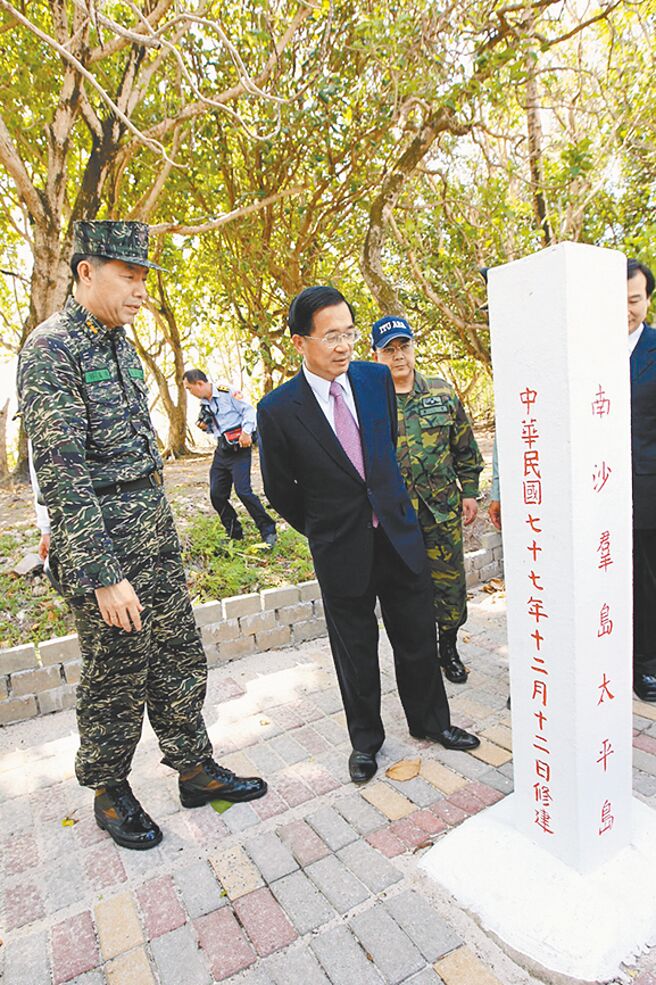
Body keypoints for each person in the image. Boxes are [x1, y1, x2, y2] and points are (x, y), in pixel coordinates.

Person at [17, 220, 266, 851]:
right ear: (85, 272)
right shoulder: (51, 349)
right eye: (126, 277)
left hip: (151, 537)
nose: (137, 291)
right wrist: (103, 575)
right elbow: (63, 475)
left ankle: (193, 769)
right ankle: (109, 789)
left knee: (179, 654)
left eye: (142, 279)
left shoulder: (120, 342)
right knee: (117, 672)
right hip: (105, 550)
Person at [257, 286, 479, 784]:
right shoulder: (277, 409)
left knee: (417, 637)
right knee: (355, 652)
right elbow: (280, 489)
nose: (343, 346)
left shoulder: (376, 379)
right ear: (300, 343)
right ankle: (366, 743)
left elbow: (386, 450)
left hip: (399, 536)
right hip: (341, 547)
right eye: (330, 336)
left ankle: (432, 723)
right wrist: (325, 528)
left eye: (349, 333)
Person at [372, 316, 483, 684]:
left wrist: (469, 492)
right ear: (376, 355)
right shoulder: (368, 402)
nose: (398, 355)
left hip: (441, 510)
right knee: (406, 588)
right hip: (396, 517)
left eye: (404, 346)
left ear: (414, 348)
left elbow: (465, 449)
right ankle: (417, 655)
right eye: (389, 349)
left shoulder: (441, 392)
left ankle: (448, 648)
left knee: (449, 584)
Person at [182, 369, 277, 548]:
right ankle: (234, 532)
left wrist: (247, 432)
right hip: (222, 450)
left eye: (189, 388)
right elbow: (214, 428)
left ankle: (268, 529)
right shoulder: (204, 404)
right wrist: (205, 426)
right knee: (217, 494)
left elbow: (249, 412)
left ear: (199, 384)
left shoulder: (227, 392)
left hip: (239, 448)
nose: (189, 392)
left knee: (243, 491)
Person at [628, 258, 656, 701]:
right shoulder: (587, 343)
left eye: (633, 300)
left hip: (647, 486)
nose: (625, 309)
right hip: (594, 488)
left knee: (647, 577)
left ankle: (646, 662)